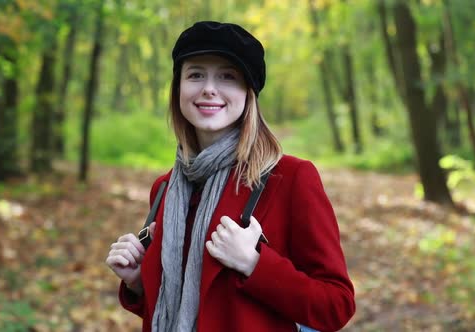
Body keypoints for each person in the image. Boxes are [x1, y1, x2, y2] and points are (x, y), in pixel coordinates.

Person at [106, 21, 355, 332]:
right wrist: (138, 283)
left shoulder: (290, 179)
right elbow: (182, 310)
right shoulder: (165, 188)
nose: (209, 88)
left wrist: (253, 264)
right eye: (195, 74)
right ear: (178, 88)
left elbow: (336, 305)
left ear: (248, 92)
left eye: (228, 76)